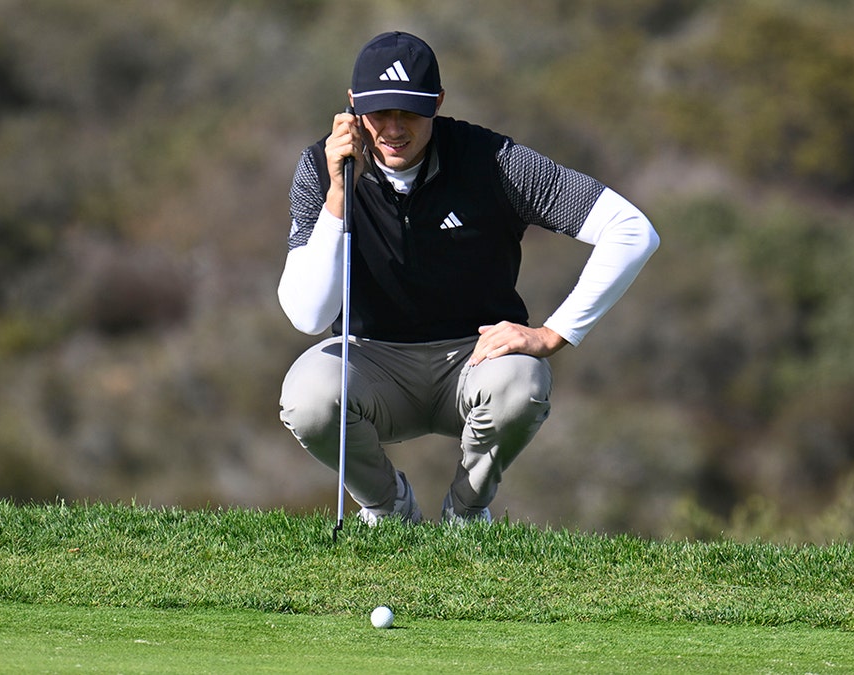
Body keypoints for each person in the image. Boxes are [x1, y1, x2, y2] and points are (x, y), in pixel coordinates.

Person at [278, 31, 659, 525]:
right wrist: (338, 195)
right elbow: (309, 316)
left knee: (524, 382)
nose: (394, 128)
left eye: (410, 112)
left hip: (475, 359)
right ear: (352, 107)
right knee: (306, 399)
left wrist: (552, 334)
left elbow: (632, 230)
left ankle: (466, 513)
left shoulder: (493, 162)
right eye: (379, 113)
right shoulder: (318, 169)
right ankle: (389, 509)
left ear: (437, 103)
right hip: (372, 360)